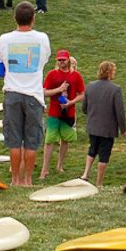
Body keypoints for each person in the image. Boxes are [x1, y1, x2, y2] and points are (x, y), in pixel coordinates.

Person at [0, 1, 51, 186]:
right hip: (34, 95)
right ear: (33, 19)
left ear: (15, 19)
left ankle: (15, 179)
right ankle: (27, 180)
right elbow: (45, 59)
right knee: (31, 140)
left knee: (14, 140)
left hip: (12, 92)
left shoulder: (4, 39)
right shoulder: (42, 38)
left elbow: (0, 66)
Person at [39, 49, 85, 180]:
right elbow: (43, 92)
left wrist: (71, 102)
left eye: (63, 60)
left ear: (68, 60)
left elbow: (82, 94)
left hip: (69, 113)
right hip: (54, 112)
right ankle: (44, 169)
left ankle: (60, 165)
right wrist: (58, 90)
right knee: (49, 141)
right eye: (59, 60)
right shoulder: (52, 74)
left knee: (65, 139)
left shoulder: (76, 76)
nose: (61, 62)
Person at [79, 61, 125, 186]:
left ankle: (85, 174)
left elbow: (84, 108)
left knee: (92, 149)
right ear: (110, 72)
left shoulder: (90, 86)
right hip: (108, 128)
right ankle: (98, 182)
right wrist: (123, 128)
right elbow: (119, 111)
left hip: (93, 125)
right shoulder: (115, 89)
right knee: (104, 154)